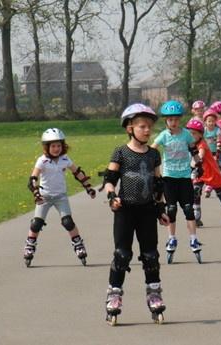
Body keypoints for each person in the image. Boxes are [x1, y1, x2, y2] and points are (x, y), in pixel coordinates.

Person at [101, 103, 170, 325]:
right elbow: (110, 180)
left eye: (149, 126)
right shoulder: (121, 152)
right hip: (125, 210)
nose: (148, 130)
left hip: (147, 210)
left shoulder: (153, 154)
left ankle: (154, 295)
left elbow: (158, 184)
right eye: (142, 126)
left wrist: (161, 208)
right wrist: (112, 197)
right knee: (122, 254)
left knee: (151, 255)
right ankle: (114, 296)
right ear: (130, 128)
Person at [23, 128, 96, 268]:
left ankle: (78, 244)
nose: (56, 149)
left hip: (60, 197)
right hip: (44, 197)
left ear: (63, 146)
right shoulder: (42, 161)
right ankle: (30, 245)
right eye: (53, 146)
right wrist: (36, 193)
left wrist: (88, 187)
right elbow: (33, 178)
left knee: (68, 222)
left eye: (59, 145)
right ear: (46, 147)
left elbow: (77, 173)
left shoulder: (65, 159)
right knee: (36, 223)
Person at [151, 100, 204, 264]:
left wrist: (199, 164)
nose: (173, 122)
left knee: (188, 209)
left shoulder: (186, 134)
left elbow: (193, 149)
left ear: (179, 119)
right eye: (170, 120)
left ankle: (193, 238)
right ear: (166, 120)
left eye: (175, 119)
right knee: (171, 209)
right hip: (168, 177)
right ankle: (172, 238)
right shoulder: (164, 135)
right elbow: (153, 148)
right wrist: (149, 162)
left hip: (184, 176)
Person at [186, 118, 221, 227]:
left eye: (194, 133)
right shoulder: (189, 143)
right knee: (196, 191)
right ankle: (196, 214)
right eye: (189, 133)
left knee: (220, 193)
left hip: (211, 173)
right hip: (200, 172)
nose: (191, 136)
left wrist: (195, 162)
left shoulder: (202, 144)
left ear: (200, 135)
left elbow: (200, 154)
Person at [202, 108, 221, 197]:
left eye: (213, 121)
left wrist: (218, 151)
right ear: (205, 122)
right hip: (207, 153)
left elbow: (219, 140)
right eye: (209, 121)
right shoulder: (204, 131)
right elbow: (201, 141)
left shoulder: (217, 130)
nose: (211, 123)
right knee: (207, 170)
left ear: (215, 122)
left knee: (219, 167)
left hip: (216, 152)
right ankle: (209, 185)